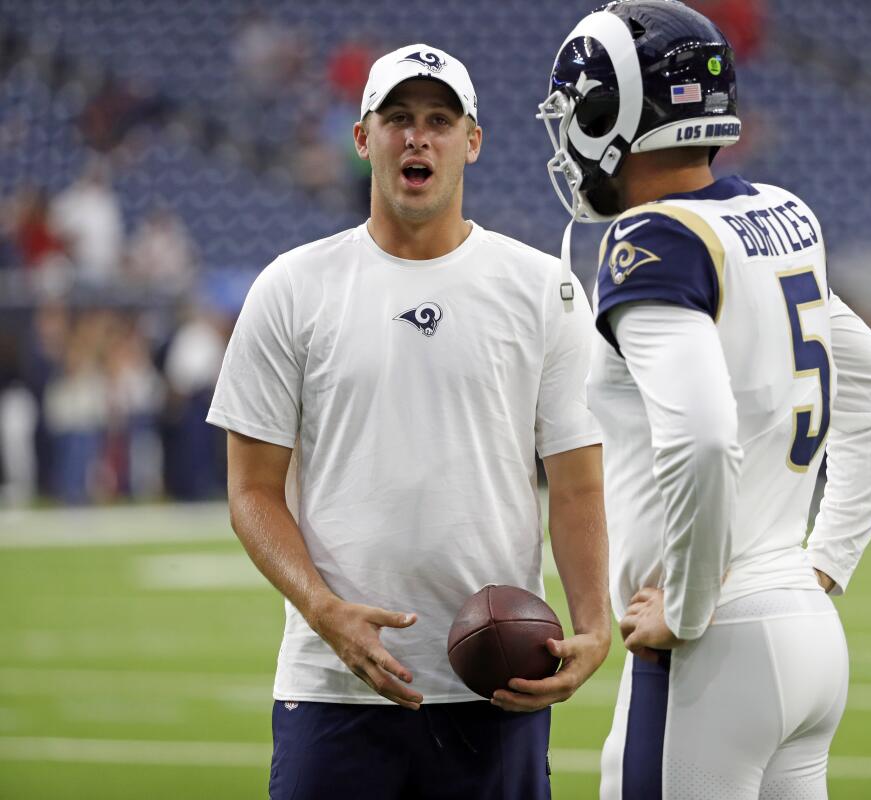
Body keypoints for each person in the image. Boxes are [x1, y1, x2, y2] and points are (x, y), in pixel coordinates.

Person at [208, 44, 610, 799]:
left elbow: (579, 482)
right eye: (396, 119)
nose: (416, 137)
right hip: (332, 687)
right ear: (363, 139)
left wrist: (593, 623)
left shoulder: (543, 289)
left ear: (472, 141)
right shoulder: (292, 287)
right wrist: (322, 609)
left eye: (438, 120)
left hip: (498, 688)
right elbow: (252, 491)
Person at [538, 2, 871, 797]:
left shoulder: (652, 241)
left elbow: (704, 435)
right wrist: (826, 563)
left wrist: (688, 601)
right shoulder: (781, 215)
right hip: (803, 624)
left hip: (711, 648)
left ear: (613, 114)